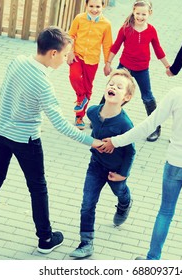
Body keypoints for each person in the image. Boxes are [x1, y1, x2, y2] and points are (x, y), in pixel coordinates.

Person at [0, 27, 103, 255]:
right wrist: (92, 142)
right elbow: (61, 125)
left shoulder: (17, 61)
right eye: (64, 55)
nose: (65, 60)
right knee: (38, 188)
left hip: (1, 133)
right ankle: (45, 238)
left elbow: (3, 92)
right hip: (27, 140)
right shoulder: (44, 85)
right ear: (53, 53)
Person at [101, 48, 182, 260]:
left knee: (165, 213)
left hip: (175, 164)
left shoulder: (177, 95)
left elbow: (148, 125)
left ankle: (153, 260)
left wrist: (116, 141)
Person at [69, 69, 136, 258]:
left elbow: (131, 152)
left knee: (120, 191)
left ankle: (125, 203)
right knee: (87, 203)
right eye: (111, 84)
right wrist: (96, 143)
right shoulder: (92, 111)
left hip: (116, 170)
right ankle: (86, 243)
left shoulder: (125, 124)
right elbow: (95, 131)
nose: (113, 87)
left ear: (127, 96)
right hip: (96, 165)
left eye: (119, 86)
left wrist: (123, 174)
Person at [99, 0, 170, 142]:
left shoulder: (151, 30)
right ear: (133, 11)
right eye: (138, 13)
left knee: (147, 97)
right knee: (112, 89)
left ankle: (155, 128)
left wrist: (168, 66)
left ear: (149, 13)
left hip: (142, 69)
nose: (140, 17)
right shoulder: (126, 28)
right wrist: (108, 63)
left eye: (144, 14)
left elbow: (158, 49)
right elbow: (116, 46)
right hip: (124, 67)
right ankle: (100, 116)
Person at [67, 0, 113, 130]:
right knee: (74, 77)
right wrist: (70, 52)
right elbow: (71, 36)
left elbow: (107, 45)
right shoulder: (79, 18)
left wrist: (107, 63)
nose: (94, 9)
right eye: (91, 6)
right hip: (77, 56)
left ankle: (79, 116)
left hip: (92, 60)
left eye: (97, 6)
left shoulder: (106, 24)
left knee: (88, 87)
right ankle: (82, 99)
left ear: (102, 6)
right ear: (86, 5)